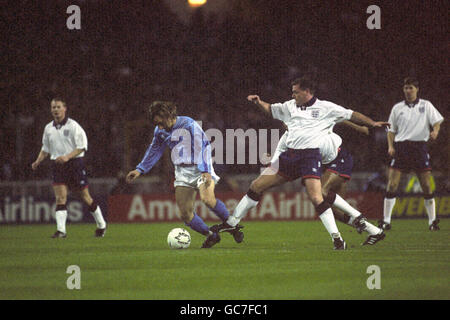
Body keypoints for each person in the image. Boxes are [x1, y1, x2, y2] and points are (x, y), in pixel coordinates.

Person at [213, 76, 389, 249]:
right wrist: (259, 102)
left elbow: (352, 115)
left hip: (314, 157)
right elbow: (271, 110)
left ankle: (338, 238)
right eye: (292, 92)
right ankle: (232, 222)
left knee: (317, 196)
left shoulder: (326, 107)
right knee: (256, 185)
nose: (292, 96)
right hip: (291, 157)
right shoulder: (289, 111)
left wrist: (372, 123)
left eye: (296, 92)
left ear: (307, 92)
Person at [125, 101, 243, 248]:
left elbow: (204, 146)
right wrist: (140, 169)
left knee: (207, 199)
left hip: (200, 167)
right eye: (157, 124)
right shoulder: (160, 130)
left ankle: (233, 227)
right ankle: (211, 235)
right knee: (185, 214)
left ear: (168, 116)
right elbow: (154, 149)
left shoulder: (188, 124)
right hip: (182, 172)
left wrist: (205, 170)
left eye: (161, 123)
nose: (159, 127)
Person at [32, 97, 107, 238]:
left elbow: (82, 146)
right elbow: (45, 148)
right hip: (57, 166)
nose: (55, 110)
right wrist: (38, 161)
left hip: (74, 164)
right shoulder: (48, 128)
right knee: (60, 198)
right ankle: (61, 231)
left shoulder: (73, 126)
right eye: (53, 107)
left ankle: (101, 224)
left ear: (64, 109)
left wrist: (67, 156)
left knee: (85, 197)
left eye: (58, 107)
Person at [380, 77, 444, 231]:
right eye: (406, 88)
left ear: (417, 89)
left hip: (419, 148)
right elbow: (391, 130)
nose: (408, 91)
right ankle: (386, 221)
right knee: (392, 184)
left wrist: (435, 131)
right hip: (401, 148)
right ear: (403, 90)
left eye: (411, 88)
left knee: (426, 185)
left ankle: (432, 221)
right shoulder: (397, 108)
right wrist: (390, 146)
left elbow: (437, 121)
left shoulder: (426, 105)